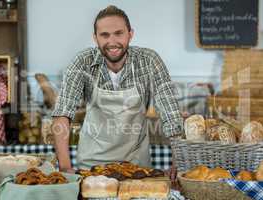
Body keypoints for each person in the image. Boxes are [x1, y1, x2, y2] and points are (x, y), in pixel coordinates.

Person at [51, 5, 183, 172]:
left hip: (137, 167)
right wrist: (65, 167)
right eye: (104, 35)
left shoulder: (149, 61)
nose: (112, 42)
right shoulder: (83, 62)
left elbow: (170, 114)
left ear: (130, 34)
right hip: (92, 167)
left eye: (118, 33)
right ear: (95, 38)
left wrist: (178, 162)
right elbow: (63, 114)